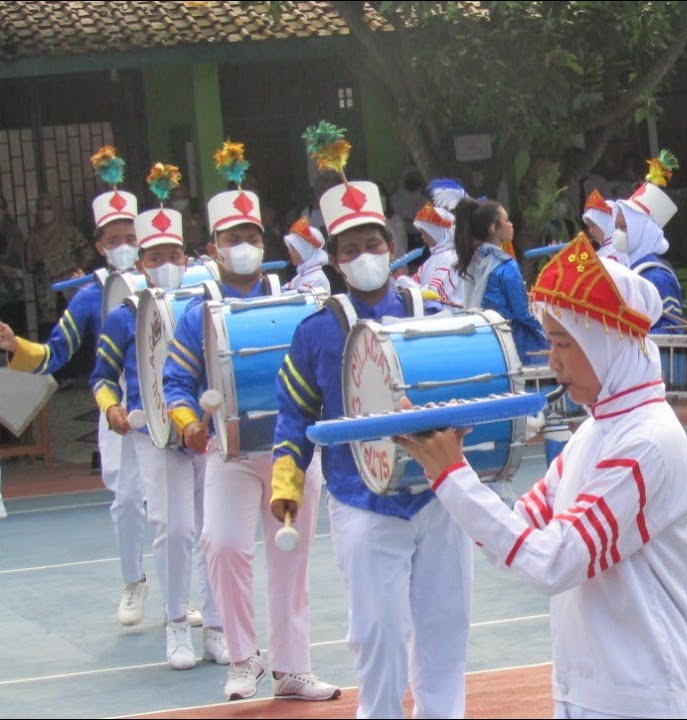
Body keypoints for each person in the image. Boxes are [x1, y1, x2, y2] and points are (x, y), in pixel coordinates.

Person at [394, 236, 687, 718]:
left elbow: (553, 562)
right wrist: (451, 462)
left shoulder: (647, 442)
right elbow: (518, 534)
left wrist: (453, 476)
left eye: (565, 344)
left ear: (608, 343)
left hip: (644, 698)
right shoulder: (595, 433)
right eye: (551, 344)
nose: (554, 361)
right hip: (590, 693)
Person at [269, 170, 469, 719]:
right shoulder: (315, 331)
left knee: (445, 633)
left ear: (392, 246)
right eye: (351, 248)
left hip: (436, 494)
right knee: (377, 638)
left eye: (373, 244)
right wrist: (286, 482)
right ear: (335, 259)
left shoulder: (429, 308)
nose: (364, 255)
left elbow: (464, 382)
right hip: (361, 501)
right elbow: (293, 416)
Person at [163, 142, 338, 702]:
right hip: (229, 452)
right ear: (212, 247)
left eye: (252, 238)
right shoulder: (197, 311)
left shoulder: (296, 300)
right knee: (223, 543)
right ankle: (242, 659)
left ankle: (293, 667)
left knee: (293, 554)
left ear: (265, 245)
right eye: (232, 239)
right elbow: (174, 385)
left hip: (291, 449)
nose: (244, 247)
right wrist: (190, 424)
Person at [0, 147, 149, 627]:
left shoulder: (166, 282)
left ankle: (180, 598)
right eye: (115, 239)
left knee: (177, 511)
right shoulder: (91, 296)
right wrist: (16, 345)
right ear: (100, 245)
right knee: (126, 499)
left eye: (131, 237)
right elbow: (55, 354)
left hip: (171, 402)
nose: (124, 245)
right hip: (117, 407)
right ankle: (134, 581)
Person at [91, 189, 221, 669]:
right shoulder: (124, 317)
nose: (164, 262)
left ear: (186, 259)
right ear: (140, 263)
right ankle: (174, 625)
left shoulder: (204, 309)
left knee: (213, 529)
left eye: (173, 254)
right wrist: (112, 410)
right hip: (155, 435)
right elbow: (102, 378)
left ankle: (216, 625)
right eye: (155, 256)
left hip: (205, 436)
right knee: (175, 527)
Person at [455, 197, 549, 363]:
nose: (511, 224)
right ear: (493, 228)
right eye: (506, 220)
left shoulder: (474, 259)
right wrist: (551, 325)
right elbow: (523, 313)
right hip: (512, 342)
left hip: (486, 338)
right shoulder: (505, 265)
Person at [614, 152, 685, 332]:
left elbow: (672, 331)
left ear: (640, 231)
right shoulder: (629, 271)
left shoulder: (657, 276)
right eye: (617, 227)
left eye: (623, 227)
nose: (618, 233)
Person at [28, 193, 93, 327]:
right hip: (48, 298)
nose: (44, 212)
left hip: (71, 291)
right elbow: (29, 266)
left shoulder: (69, 232)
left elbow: (88, 253)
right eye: (40, 208)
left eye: (48, 208)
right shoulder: (34, 238)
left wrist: (73, 270)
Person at [409, 201, 461, 305]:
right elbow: (413, 283)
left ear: (436, 233)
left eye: (425, 233)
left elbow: (436, 295)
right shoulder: (431, 259)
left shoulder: (450, 258)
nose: (422, 237)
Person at [282, 216, 330, 293]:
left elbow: (295, 299)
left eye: (293, 247)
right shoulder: (300, 277)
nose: (289, 251)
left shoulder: (317, 278)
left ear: (305, 249)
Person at [582, 189, 626, 264]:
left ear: (606, 224)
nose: (590, 231)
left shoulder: (617, 249)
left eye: (593, 225)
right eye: (589, 226)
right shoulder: (619, 246)